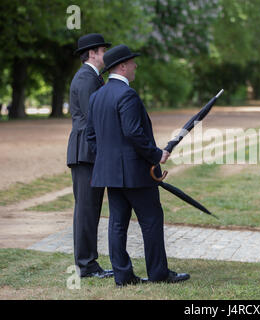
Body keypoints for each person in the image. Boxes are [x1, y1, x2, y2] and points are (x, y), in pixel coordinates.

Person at [86, 44, 190, 287]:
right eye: (132, 62)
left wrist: (107, 160)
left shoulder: (96, 96)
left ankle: (123, 275)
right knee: (152, 219)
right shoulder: (127, 95)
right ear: (122, 66)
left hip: (110, 173)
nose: (136, 66)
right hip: (134, 173)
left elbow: (91, 136)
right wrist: (156, 155)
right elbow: (133, 133)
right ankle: (158, 273)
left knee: (117, 223)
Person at [67, 33, 113, 279]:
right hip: (85, 151)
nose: (106, 55)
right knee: (86, 210)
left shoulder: (92, 77)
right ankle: (85, 265)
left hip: (88, 151)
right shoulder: (86, 78)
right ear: (93, 53)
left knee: (91, 208)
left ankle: (88, 263)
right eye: (104, 50)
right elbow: (93, 117)